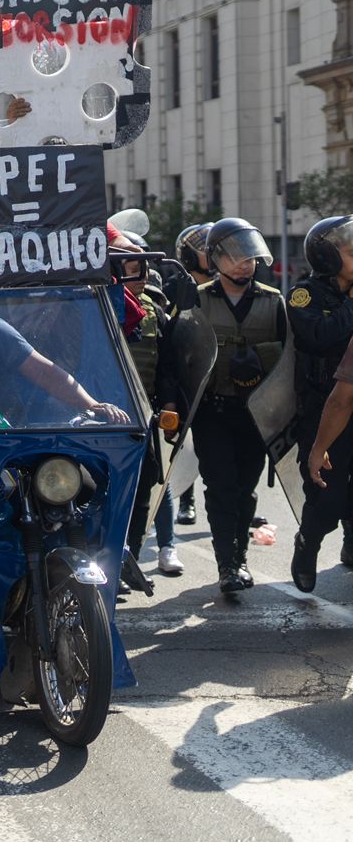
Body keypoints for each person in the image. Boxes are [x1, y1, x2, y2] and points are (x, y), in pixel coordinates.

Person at [180, 218, 288, 595]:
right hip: (212, 412)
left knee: (246, 489)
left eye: (250, 256)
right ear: (215, 259)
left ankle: (239, 556)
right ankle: (228, 564)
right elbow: (181, 357)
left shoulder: (275, 303)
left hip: (256, 417)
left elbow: (291, 365)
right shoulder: (197, 298)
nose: (246, 263)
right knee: (221, 487)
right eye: (237, 256)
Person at [288, 216, 353, 591]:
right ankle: (308, 543)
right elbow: (316, 335)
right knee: (326, 495)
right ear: (328, 256)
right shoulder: (305, 295)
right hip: (323, 410)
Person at [115, 243, 184, 579]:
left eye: (143, 269)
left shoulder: (153, 310)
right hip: (102, 421)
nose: (140, 277)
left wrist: (170, 404)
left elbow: (166, 365)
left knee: (143, 490)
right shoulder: (94, 307)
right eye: (131, 268)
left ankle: (130, 563)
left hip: (143, 418)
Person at [171, 222, 214, 525]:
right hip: (188, 375)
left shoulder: (224, 287)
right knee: (187, 443)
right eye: (207, 252)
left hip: (222, 376)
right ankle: (187, 498)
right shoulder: (176, 287)